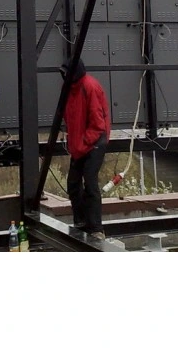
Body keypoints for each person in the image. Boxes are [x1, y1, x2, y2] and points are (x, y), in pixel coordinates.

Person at [60, 58, 111, 240]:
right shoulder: (70, 88)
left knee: (90, 182)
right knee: (73, 184)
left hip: (95, 141)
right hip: (80, 143)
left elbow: (98, 124)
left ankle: (96, 228)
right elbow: (69, 117)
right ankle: (81, 223)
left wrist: (82, 143)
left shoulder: (89, 86)